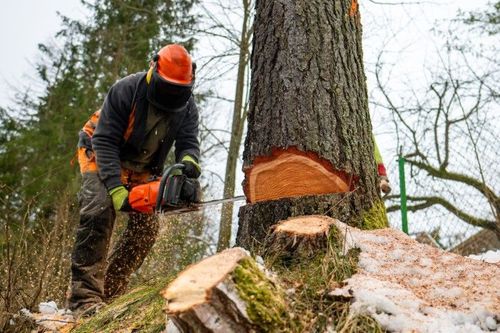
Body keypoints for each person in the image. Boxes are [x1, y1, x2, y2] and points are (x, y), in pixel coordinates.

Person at [68, 44, 201, 316]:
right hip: (101, 151)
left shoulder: (187, 106)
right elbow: (104, 141)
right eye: (168, 88)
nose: (172, 94)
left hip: (142, 165)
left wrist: (188, 166)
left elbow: (188, 143)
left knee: (146, 230)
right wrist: (117, 189)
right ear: (154, 69)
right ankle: (84, 298)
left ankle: (110, 291)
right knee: (99, 209)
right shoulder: (127, 89)